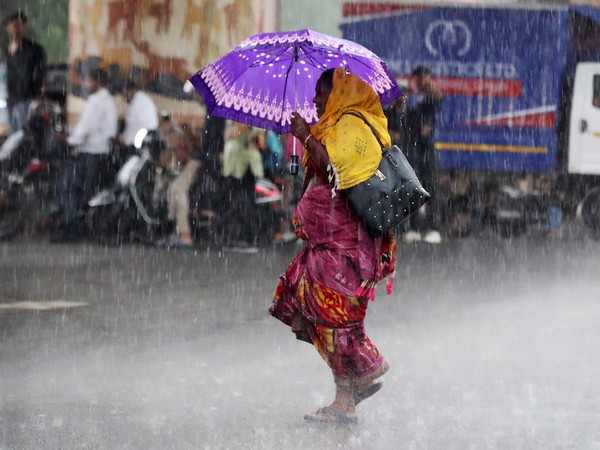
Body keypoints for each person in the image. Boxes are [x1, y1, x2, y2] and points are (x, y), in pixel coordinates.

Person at [269, 68, 397, 423]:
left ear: (338, 92)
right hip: (328, 246)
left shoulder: (352, 127)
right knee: (305, 305)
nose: (314, 100)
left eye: (320, 93)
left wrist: (307, 138)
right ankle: (350, 392)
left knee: (336, 322)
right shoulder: (334, 126)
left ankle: (361, 375)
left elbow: (338, 175)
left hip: (347, 248)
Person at [53, 68, 118, 242]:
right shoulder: (104, 100)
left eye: (89, 81)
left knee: (70, 187)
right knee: (82, 191)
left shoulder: (98, 102)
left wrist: (70, 140)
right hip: (97, 153)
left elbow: (86, 129)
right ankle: (74, 226)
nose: (86, 84)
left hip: (92, 153)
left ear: (98, 82)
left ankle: (71, 228)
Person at [160, 115, 226, 248]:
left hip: (204, 159)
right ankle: (175, 231)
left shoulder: (217, 111)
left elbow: (213, 142)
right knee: (174, 188)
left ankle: (184, 234)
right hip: (205, 158)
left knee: (178, 189)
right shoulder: (217, 110)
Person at [403, 65, 443, 244]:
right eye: (417, 77)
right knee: (413, 187)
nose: (419, 80)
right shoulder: (413, 98)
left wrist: (430, 86)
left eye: (423, 77)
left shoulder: (430, 96)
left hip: (426, 148)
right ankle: (415, 227)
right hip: (413, 147)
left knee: (430, 186)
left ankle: (433, 227)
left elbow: (438, 97)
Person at [3, 10, 47, 134]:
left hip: (28, 98)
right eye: (13, 25)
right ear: (7, 28)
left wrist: (39, 97)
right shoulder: (7, 52)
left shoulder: (34, 49)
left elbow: (41, 74)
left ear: (24, 27)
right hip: (11, 98)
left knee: (25, 133)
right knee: (13, 134)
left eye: (19, 25)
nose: (16, 29)